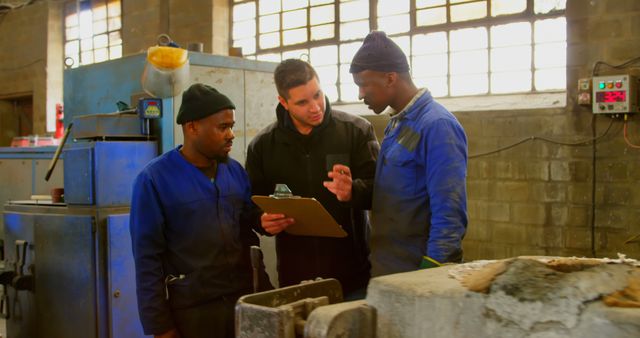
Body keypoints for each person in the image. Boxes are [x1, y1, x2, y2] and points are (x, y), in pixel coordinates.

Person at [130, 83, 270, 338]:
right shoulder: (155, 180)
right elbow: (147, 258)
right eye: (223, 127)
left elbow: (248, 223)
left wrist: (264, 220)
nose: (231, 135)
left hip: (244, 300)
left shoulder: (235, 171)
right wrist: (160, 325)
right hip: (194, 311)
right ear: (192, 127)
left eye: (232, 126)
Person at [245, 59, 379, 299]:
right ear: (283, 102)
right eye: (303, 102)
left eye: (317, 95)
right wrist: (261, 220)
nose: (315, 107)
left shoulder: (356, 131)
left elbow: (382, 192)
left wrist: (353, 191)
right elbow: (250, 204)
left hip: (352, 276)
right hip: (295, 279)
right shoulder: (263, 146)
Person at [349, 31, 468, 276]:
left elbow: (450, 212)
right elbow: (392, 194)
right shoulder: (398, 124)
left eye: (364, 84)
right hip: (388, 268)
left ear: (390, 78)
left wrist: (430, 274)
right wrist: (353, 190)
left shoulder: (437, 125)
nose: (360, 94)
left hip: (415, 273)